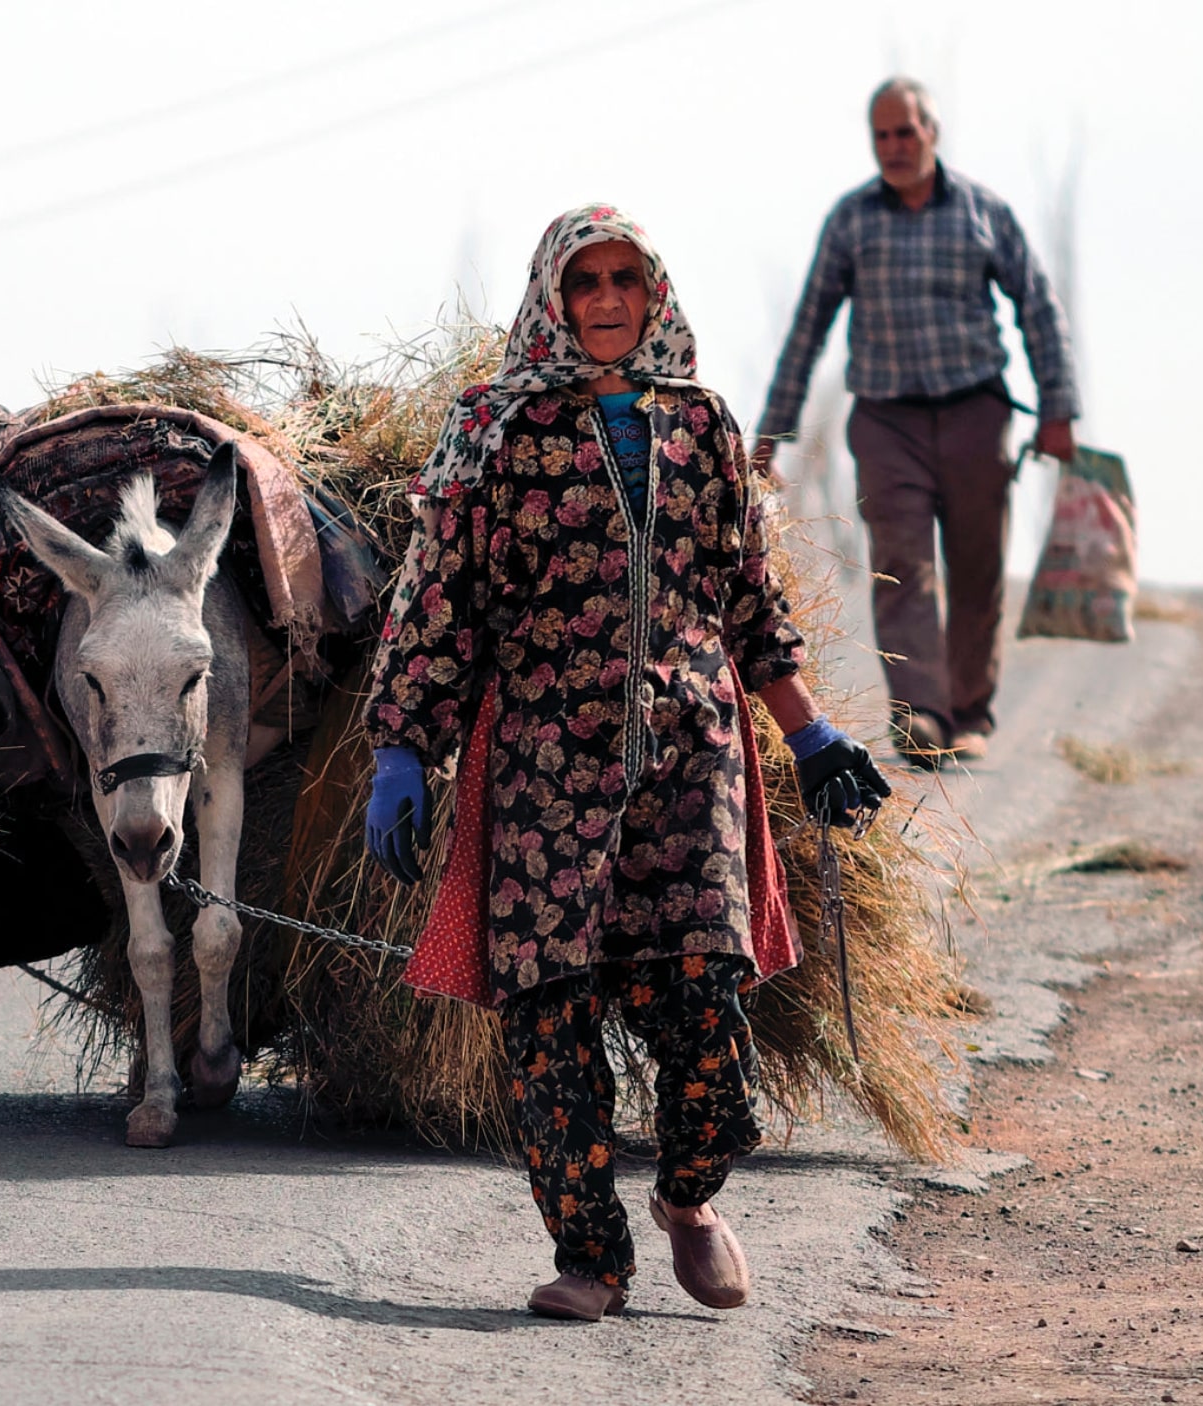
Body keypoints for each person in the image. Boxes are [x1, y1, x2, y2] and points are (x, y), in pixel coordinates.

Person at [361, 204, 891, 1320]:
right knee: (546, 1019)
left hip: (690, 763)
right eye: (584, 282)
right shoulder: (491, 429)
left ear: (654, 294)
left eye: (625, 280)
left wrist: (808, 732)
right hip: (543, 760)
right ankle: (589, 1256)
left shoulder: (701, 425)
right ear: (550, 299)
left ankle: (689, 1197)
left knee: (705, 1019)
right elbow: (441, 601)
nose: (605, 299)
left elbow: (747, 598)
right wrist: (404, 749)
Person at [755, 76, 1081, 767]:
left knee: (976, 563)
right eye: (881, 135)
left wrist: (1058, 407)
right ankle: (921, 713)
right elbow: (808, 327)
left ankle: (969, 711)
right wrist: (771, 434)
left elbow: (1039, 308)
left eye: (906, 132)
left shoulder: (983, 213)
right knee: (901, 564)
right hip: (886, 421)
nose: (894, 147)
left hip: (975, 410)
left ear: (933, 133)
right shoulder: (852, 221)